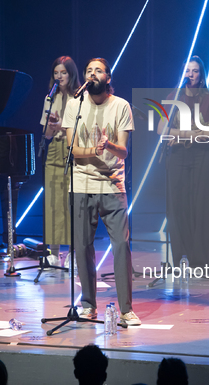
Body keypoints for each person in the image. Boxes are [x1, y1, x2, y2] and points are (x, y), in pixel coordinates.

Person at [62, 57, 140, 326]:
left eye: (98, 70)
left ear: (108, 77)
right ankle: (88, 305)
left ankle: (126, 310)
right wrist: (91, 151)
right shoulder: (75, 104)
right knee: (82, 247)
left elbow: (124, 151)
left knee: (121, 245)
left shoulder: (121, 106)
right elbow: (71, 150)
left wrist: (107, 146)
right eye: (88, 71)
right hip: (81, 185)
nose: (92, 74)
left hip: (112, 185)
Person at [157, 56, 209, 270]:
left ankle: (200, 261)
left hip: (201, 156)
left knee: (200, 208)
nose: (190, 75)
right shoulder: (173, 97)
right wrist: (192, 133)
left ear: (201, 75)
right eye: (187, 71)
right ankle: (178, 258)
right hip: (176, 157)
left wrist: (182, 136)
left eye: (194, 71)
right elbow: (161, 129)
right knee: (177, 207)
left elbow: (208, 134)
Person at [39, 56, 81, 261]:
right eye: (56, 73)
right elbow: (46, 134)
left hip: (74, 149)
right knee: (54, 201)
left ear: (71, 73)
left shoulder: (81, 96)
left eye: (63, 72)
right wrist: (52, 125)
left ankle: (74, 252)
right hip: (55, 148)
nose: (59, 76)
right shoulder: (50, 97)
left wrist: (63, 126)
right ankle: (53, 253)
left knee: (72, 201)